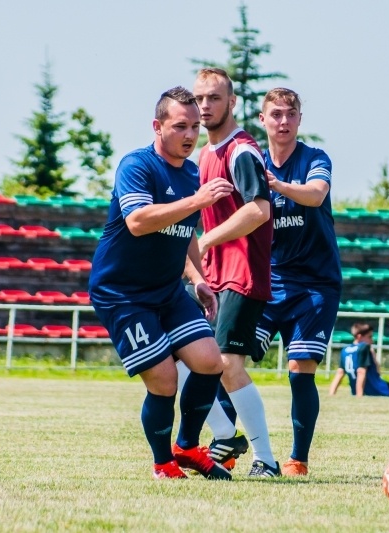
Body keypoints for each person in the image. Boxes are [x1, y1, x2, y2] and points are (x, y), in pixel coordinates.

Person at [88, 87, 234, 480]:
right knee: (165, 379)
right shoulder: (136, 165)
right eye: (180, 126)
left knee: (209, 362)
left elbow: (184, 231)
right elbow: (138, 222)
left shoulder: (191, 173)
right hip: (123, 294)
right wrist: (197, 202)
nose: (190, 135)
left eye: (196, 127)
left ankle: (186, 447)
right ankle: (162, 463)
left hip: (168, 290)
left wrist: (198, 278)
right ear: (158, 126)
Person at [189, 67, 280, 478]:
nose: (205, 105)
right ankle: (226, 435)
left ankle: (267, 460)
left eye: (213, 98)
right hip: (214, 275)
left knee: (227, 363)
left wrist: (207, 241)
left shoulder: (240, 150)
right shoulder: (204, 153)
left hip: (241, 273)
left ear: (232, 102)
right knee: (190, 357)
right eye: (199, 99)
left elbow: (259, 209)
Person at [250, 88, 342, 476]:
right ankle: (228, 442)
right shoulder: (250, 161)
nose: (283, 121)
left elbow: (317, 195)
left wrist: (278, 186)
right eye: (276, 115)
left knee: (300, 367)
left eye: (290, 114)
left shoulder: (315, 159)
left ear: (300, 119)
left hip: (315, 285)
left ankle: (297, 460)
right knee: (225, 358)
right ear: (263, 119)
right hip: (268, 282)